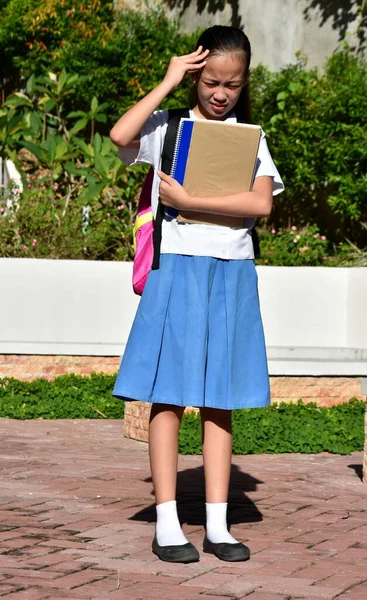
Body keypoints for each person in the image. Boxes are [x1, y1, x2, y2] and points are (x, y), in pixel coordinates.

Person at [110, 25, 284, 564]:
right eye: (210, 80)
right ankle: (167, 524)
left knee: (219, 400)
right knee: (168, 396)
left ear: (244, 82)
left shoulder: (250, 137)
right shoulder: (168, 127)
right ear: (195, 74)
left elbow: (262, 206)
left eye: (231, 84)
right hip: (176, 269)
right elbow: (120, 137)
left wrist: (189, 197)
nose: (219, 92)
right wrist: (166, 82)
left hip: (231, 270)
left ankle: (217, 525)